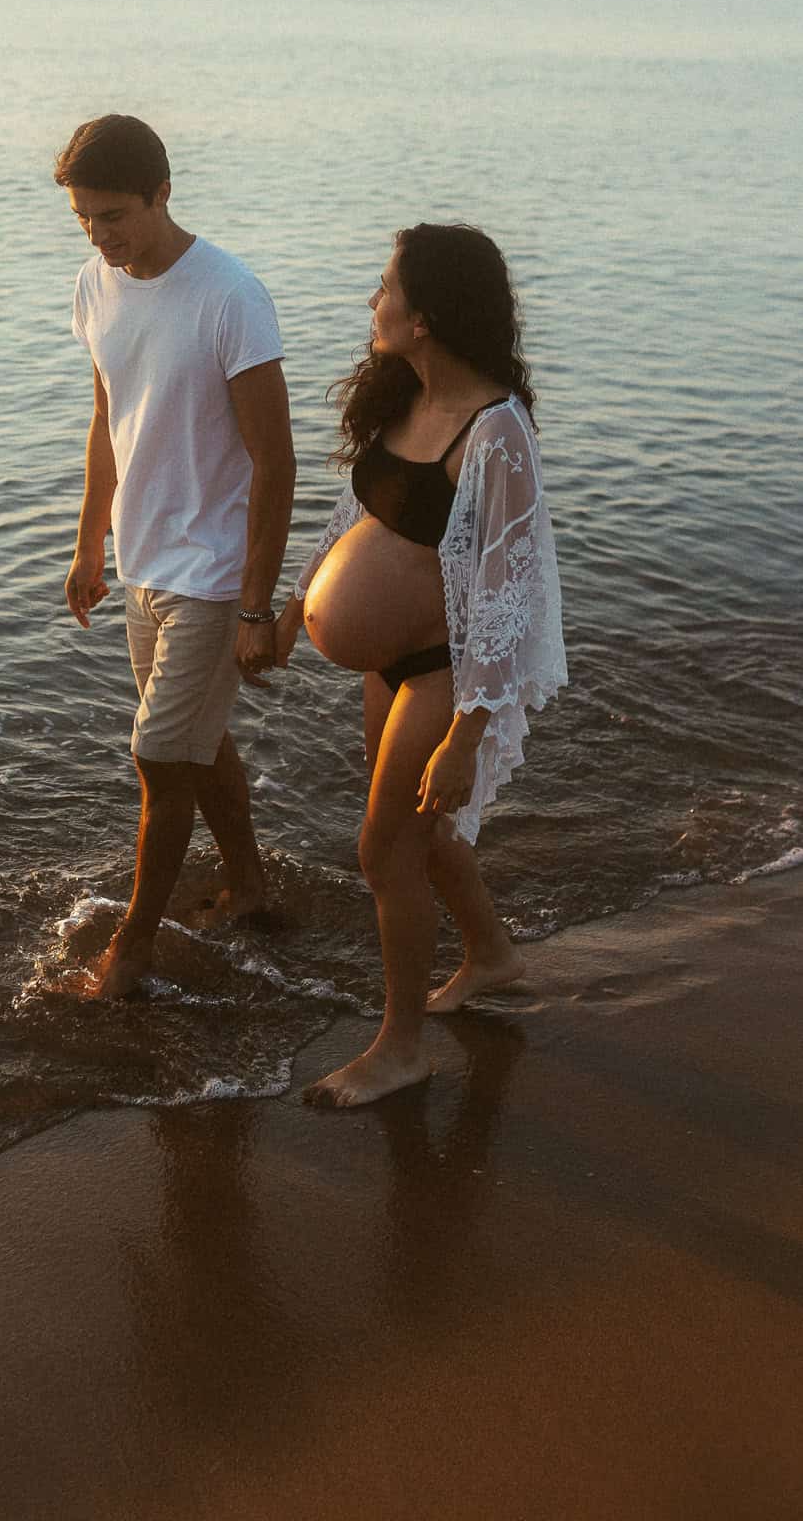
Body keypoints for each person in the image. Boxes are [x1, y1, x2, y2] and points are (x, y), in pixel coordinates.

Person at [275, 222, 566, 1106]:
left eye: (385, 286)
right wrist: (295, 608)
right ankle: (492, 955)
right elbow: (356, 518)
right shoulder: (405, 396)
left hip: (448, 670)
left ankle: (400, 1048)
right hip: (391, 663)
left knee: (383, 853)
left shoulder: (494, 432)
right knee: (423, 839)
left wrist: (468, 737)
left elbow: (508, 595)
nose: (374, 300)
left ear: (427, 315)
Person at [58, 115, 297, 998]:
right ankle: (248, 886)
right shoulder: (95, 285)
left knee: (159, 757)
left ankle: (131, 952)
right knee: (198, 743)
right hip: (143, 563)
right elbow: (106, 419)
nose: (99, 234)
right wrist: (91, 541)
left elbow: (275, 459)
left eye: (113, 214)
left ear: (162, 192)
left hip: (213, 570)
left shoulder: (230, 295)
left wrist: (255, 604)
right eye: (84, 218)